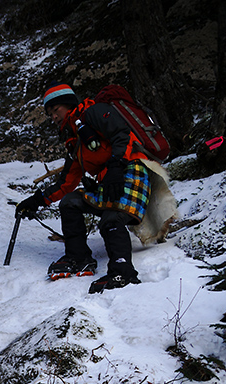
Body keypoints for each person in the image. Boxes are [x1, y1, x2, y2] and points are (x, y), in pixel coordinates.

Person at [16, 83, 151, 293]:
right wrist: (36, 200)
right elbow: (66, 182)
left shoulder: (93, 112)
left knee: (111, 219)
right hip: (110, 183)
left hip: (133, 173)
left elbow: (122, 134)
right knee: (70, 202)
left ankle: (122, 271)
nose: (54, 117)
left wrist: (116, 165)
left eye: (56, 110)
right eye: (50, 114)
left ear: (68, 104)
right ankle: (78, 258)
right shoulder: (76, 140)